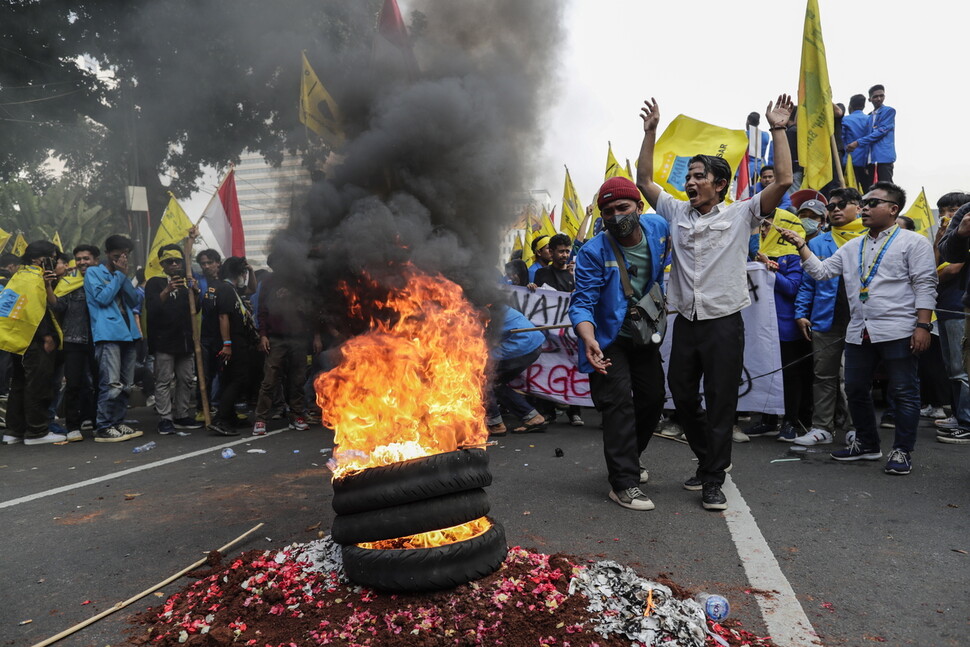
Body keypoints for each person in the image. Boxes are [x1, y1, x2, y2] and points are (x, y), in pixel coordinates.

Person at [636, 94, 794, 510]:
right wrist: (650, 132)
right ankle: (709, 459)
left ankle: (712, 479)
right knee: (682, 395)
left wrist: (778, 129)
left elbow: (782, 181)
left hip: (724, 323)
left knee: (722, 402)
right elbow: (644, 181)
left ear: (720, 184)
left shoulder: (742, 214)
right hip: (685, 322)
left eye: (698, 176)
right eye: (688, 176)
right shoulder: (675, 212)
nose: (689, 182)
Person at [779, 182, 937, 475]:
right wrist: (801, 246)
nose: (864, 207)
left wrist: (923, 326)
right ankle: (866, 443)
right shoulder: (853, 245)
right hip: (859, 331)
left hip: (899, 330)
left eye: (873, 203)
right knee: (854, 389)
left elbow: (926, 285)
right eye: (863, 202)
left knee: (904, 392)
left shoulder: (914, 243)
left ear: (893, 209)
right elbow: (822, 272)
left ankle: (902, 450)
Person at [569, 176, 669, 511]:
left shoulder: (659, 228)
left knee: (653, 399)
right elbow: (582, 302)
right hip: (608, 339)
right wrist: (589, 340)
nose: (616, 215)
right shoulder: (593, 251)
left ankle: (630, 458)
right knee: (618, 404)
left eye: (623, 207)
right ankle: (623, 484)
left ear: (640, 207)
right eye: (608, 210)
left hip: (643, 334)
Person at [792, 188, 865, 446]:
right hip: (825, 319)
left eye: (842, 204)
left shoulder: (872, 238)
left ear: (859, 207)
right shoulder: (817, 243)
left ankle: (859, 428)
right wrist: (801, 312)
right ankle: (821, 428)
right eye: (831, 206)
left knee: (856, 378)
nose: (834, 209)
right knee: (823, 376)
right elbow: (808, 282)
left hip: (862, 321)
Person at [0, 241, 66, 445]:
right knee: (38, 385)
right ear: (40, 259)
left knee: (19, 384)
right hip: (33, 340)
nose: (55, 261)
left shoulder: (19, 276)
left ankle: (14, 430)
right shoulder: (34, 278)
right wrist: (46, 336)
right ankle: (37, 431)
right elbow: (37, 311)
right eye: (52, 257)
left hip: (17, 338)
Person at [84, 235, 144, 443]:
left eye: (125, 255)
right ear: (108, 254)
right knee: (111, 384)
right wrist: (119, 276)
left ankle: (117, 422)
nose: (122, 259)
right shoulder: (93, 272)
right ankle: (103, 426)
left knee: (126, 385)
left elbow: (134, 299)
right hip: (108, 334)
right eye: (117, 255)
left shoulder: (122, 274)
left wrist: (123, 277)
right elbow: (103, 298)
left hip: (128, 333)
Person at [252, 253, 314, 436]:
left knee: (298, 379)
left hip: (298, 337)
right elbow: (261, 311)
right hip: (276, 338)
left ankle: (297, 415)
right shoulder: (268, 283)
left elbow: (311, 309)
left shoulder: (300, 281)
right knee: (270, 380)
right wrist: (263, 335)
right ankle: (261, 419)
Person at [144, 245, 203, 435]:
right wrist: (167, 290)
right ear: (162, 264)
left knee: (186, 379)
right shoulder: (155, 282)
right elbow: (152, 309)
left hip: (185, 340)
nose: (175, 264)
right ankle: (165, 418)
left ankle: (182, 415)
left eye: (178, 261)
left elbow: (197, 310)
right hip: (164, 341)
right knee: (163, 381)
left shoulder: (188, 283)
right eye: (170, 261)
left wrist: (195, 291)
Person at [532, 233, 584, 426]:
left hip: (570, 331)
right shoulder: (541, 274)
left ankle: (574, 411)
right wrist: (532, 288)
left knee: (573, 366)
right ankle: (548, 411)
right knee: (548, 365)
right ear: (551, 252)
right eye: (560, 251)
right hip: (549, 333)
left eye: (567, 251)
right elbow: (537, 298)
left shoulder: (575, 273)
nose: (565, 255)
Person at [50, 244, 101, 440]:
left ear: (95, 260)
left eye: (86, 258)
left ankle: (98, 422)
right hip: (73, 339)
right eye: (79, 259)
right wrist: (48, 288)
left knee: (99, 383)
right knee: (73, 384)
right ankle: (73, 426)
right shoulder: (68, 282)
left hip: (100, 339)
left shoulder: (103, 280)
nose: (82, 262)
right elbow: (58, 307)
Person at [930, 193, 970, 439]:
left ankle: (966, 421)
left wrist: (933, 276)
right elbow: (933, 264)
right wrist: (940, 238)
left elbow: (952, 269)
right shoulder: (960, 224)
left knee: (962, 368)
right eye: (944, 210)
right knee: (953, 367)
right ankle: (959, 415)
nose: (949, 214)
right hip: (946, 307)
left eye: (953, 209)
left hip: (958, 306)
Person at [210, 256, 259, 436]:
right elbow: (223, 317)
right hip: (233, 343)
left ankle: (229, 417)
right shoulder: (225, 290)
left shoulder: (233, 289)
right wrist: (227, 344)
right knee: (238, 379)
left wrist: (251, 271)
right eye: (244, 273)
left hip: (236, 341)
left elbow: (252, 288)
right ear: (237, 273)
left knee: (230, 380)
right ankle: (221, 419)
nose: (245, 277)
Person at [485, 304, 547, 437]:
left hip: (520, 345)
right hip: (532, 345)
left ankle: (495, 424)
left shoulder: (483, 307)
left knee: (481, 380)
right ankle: (532, 417)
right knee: (496, 383)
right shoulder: (492, 301)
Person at [847, 85, 895, 185]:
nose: (879, 99)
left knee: (886, 188)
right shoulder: (869, 117)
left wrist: (857, 143)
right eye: (875, 97)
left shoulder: (888, 111)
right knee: (872, 190)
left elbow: (880, 132)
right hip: (870, 161)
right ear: (870, 99)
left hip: (883, 158)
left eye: (881, 96)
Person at [196, 249, 224, 420]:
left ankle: (223, 407)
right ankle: (202, 408)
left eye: (209, 262)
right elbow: (197, 308)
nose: (206, 266)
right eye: (203, 263)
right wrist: (194, 292)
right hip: (206, 335)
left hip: (224, 334)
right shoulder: (197, 281)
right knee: (205, 374)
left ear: (217, 263)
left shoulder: (224, 280)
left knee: (225, 373)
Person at [841, 94, 871, 191]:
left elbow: (841, 139)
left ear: (850, 106)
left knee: (849, 191)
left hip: (849, 161)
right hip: (866, 163)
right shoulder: (869, 120)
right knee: (866, 191)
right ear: (864, 106)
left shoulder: (846, 119)